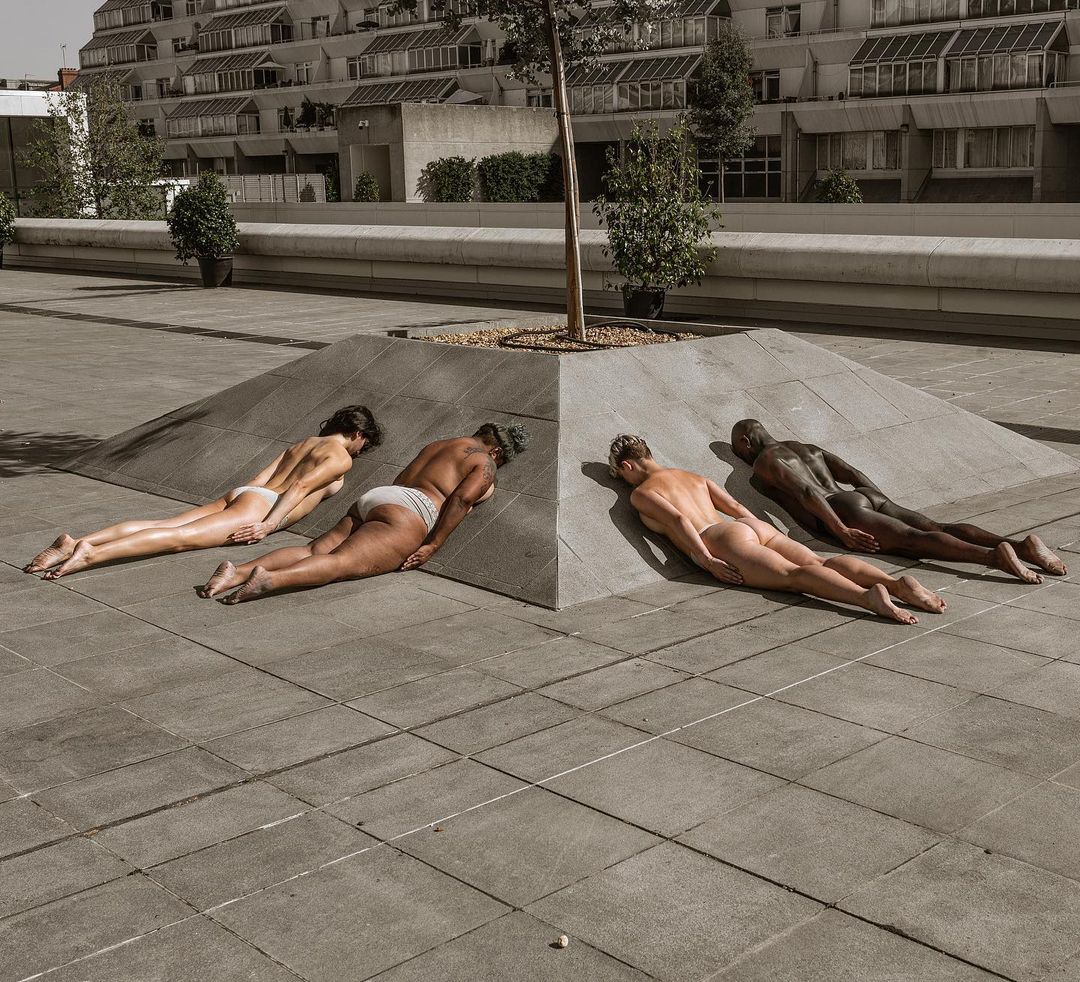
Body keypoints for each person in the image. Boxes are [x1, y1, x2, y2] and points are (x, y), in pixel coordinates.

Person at [610, 434, 945, 625]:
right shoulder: (693, 476)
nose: (622, 480)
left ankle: (866, 597)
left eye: (619, 474)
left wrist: (708, 561)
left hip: (720, 539)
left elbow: (680, 522)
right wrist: (763, 532)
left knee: (793, 576)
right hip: (747, 526)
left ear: (627, 465)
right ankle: (895, 584)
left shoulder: (643, 492)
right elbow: (736, 507)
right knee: (820, 561)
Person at [25, 406, 382, 579]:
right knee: (179, 539)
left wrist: (245, 498)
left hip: (247, 493)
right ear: (357, 434)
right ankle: (91, 554)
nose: (359, 452)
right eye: (363, 445)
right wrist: (268, 525)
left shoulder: (304, 442)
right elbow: (300, 486)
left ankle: (76, 542)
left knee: (166, 524)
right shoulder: (339, 457)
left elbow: (262, 476)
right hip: (263, 506)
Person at [199, 421, 530, 604]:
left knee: (313, 550)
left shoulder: (438, 444)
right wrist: (433, 544)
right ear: (496, 451)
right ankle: (271, 580)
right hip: (410, 511)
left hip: (378, 497)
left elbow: (406, 480)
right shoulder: (484, 462)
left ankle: (237, 572)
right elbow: (461, 500)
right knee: (340, 563)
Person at [730, 419, 1065, 584]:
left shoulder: (766, 461)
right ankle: (1021, 547)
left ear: (746, 442)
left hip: (841, 508)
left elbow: (807, 493)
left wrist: (841, 530)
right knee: (936, 526)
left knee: (913, 540)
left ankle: (993, 557)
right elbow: (852, 472)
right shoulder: (804, 447)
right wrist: (880, 501)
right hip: (865, 495)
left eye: (736, 449)